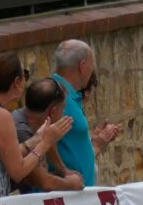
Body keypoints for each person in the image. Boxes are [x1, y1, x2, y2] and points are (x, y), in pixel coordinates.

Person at [0, 53, 72, 203]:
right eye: (25, 74)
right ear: (17, 82)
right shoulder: (0, 116)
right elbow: (18, 171)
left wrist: (35, 140)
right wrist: (46, 142)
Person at [51, 40, 121, 185]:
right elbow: (45, 139)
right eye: (91, 64)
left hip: (81, 195)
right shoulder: (55, 95)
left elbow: (70, 146)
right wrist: (64, 171)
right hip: (68, 197)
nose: (92, 69)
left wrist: (97, 142)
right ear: (82, 66)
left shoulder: (70, 94)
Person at [12, 77, 84, 193]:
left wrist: (64, 170)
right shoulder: (21, 131)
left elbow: (49, 140)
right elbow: (44, 182)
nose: (64, 112)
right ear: (53, 111)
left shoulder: (34, 118)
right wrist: (71, 183)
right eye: (63, 108)